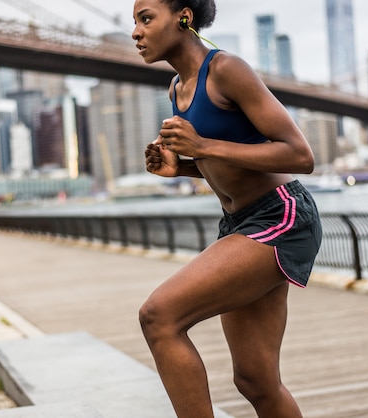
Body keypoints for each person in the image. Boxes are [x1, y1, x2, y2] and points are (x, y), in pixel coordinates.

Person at [133, 1, 322, 417]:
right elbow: (228, 164)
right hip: (239, 223)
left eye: (146, 19)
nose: (136, 32)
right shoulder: (176, 88)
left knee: (158, 317)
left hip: (282, 215)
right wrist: (183, 168)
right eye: (135, 22)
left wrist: (200, 147)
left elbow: (300, 155)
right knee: (255, 379)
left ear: (183, 17)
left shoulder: (226, 71)